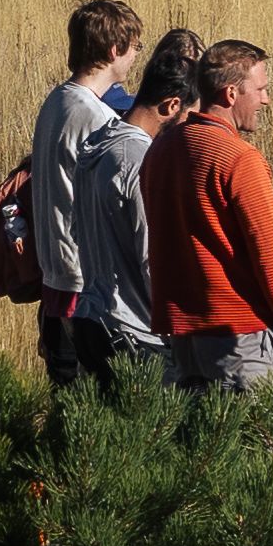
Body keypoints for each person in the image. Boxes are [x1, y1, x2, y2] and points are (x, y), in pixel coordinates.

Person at [142, 40, 273, 393]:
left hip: (184, 337)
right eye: (261, 89)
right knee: (258, 445)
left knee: (201, 446)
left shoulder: (161, 148)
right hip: (239, 338)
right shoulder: (240, 159)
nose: (266, 100)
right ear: (231, 93)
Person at [66, 31, 198, 383]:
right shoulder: (140, 159)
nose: (192, 132)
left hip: (91, 319)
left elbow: (76, 230)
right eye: (191, 118)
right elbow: (151, 257)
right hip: (133, 334)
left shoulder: (97, 144)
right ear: (171, 106)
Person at [29, 0, 143, 385]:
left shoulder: (57, 101)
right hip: (84, 283)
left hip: (55, 275)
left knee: (66, 397)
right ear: (115, 50)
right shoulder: (97, 118)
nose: (135, 58)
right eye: (135, 47)